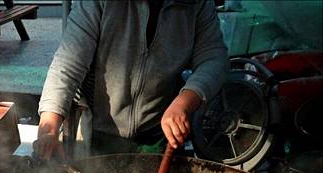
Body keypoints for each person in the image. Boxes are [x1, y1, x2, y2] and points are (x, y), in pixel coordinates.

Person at [36, 0, 229, 158]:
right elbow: (68, 63)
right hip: (97, 130)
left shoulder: (196, 4)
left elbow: (213, 58)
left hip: (159, 132)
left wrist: (185, 101)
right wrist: (49, 127)